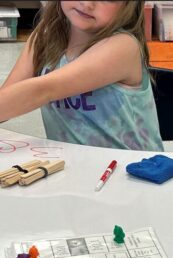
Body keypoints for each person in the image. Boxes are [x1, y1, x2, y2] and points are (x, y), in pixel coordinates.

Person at [0, 1, 163, 151]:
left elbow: (42, 90)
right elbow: (7, 98)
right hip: (71, 168)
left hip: (134, 172)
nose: (87, 3)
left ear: (129, 6)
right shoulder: (44, 36)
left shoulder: (124, 46)